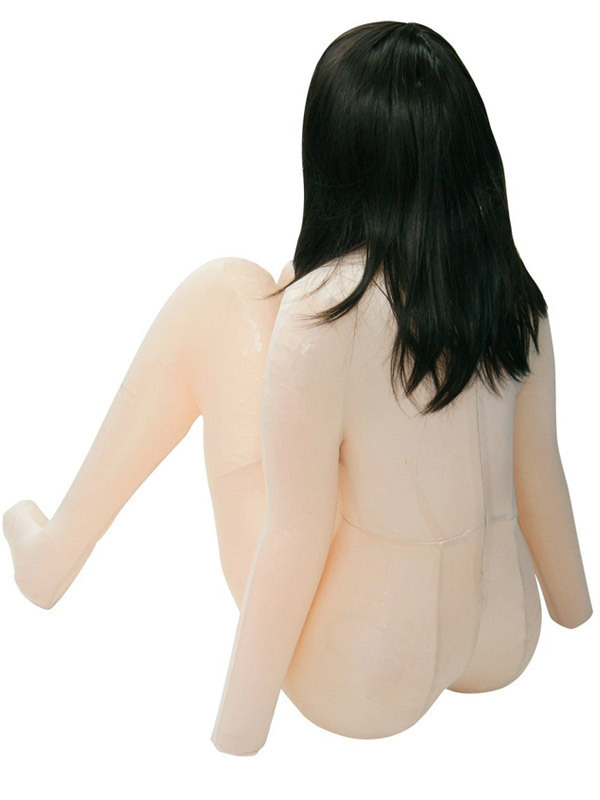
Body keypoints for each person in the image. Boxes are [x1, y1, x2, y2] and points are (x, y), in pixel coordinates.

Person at [3, 20, 593, 757]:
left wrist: (240, 731)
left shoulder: (327, 309)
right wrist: (573, 609)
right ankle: (54, 555)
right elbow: (540, 472)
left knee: (223, 290)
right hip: (505, 632)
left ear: (334, 152)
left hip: (366, 671)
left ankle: (51, 557)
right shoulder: (513, 293)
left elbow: (296, 531)